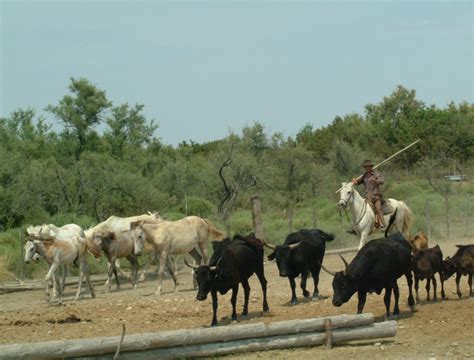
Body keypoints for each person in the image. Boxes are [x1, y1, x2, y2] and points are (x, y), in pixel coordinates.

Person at [352, 160, 386, 229]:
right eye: (366, 167)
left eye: (368, 167)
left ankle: (383, 224)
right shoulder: (364, 176)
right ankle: (366, 226)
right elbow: (357, 183)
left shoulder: (376, 174)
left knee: (378, 209)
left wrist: (376, 181)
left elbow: (382, 181)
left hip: (376, 195)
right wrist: (354, 181)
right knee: (365, 211)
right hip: (368, 197)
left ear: (371, 167)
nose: (367, 168)